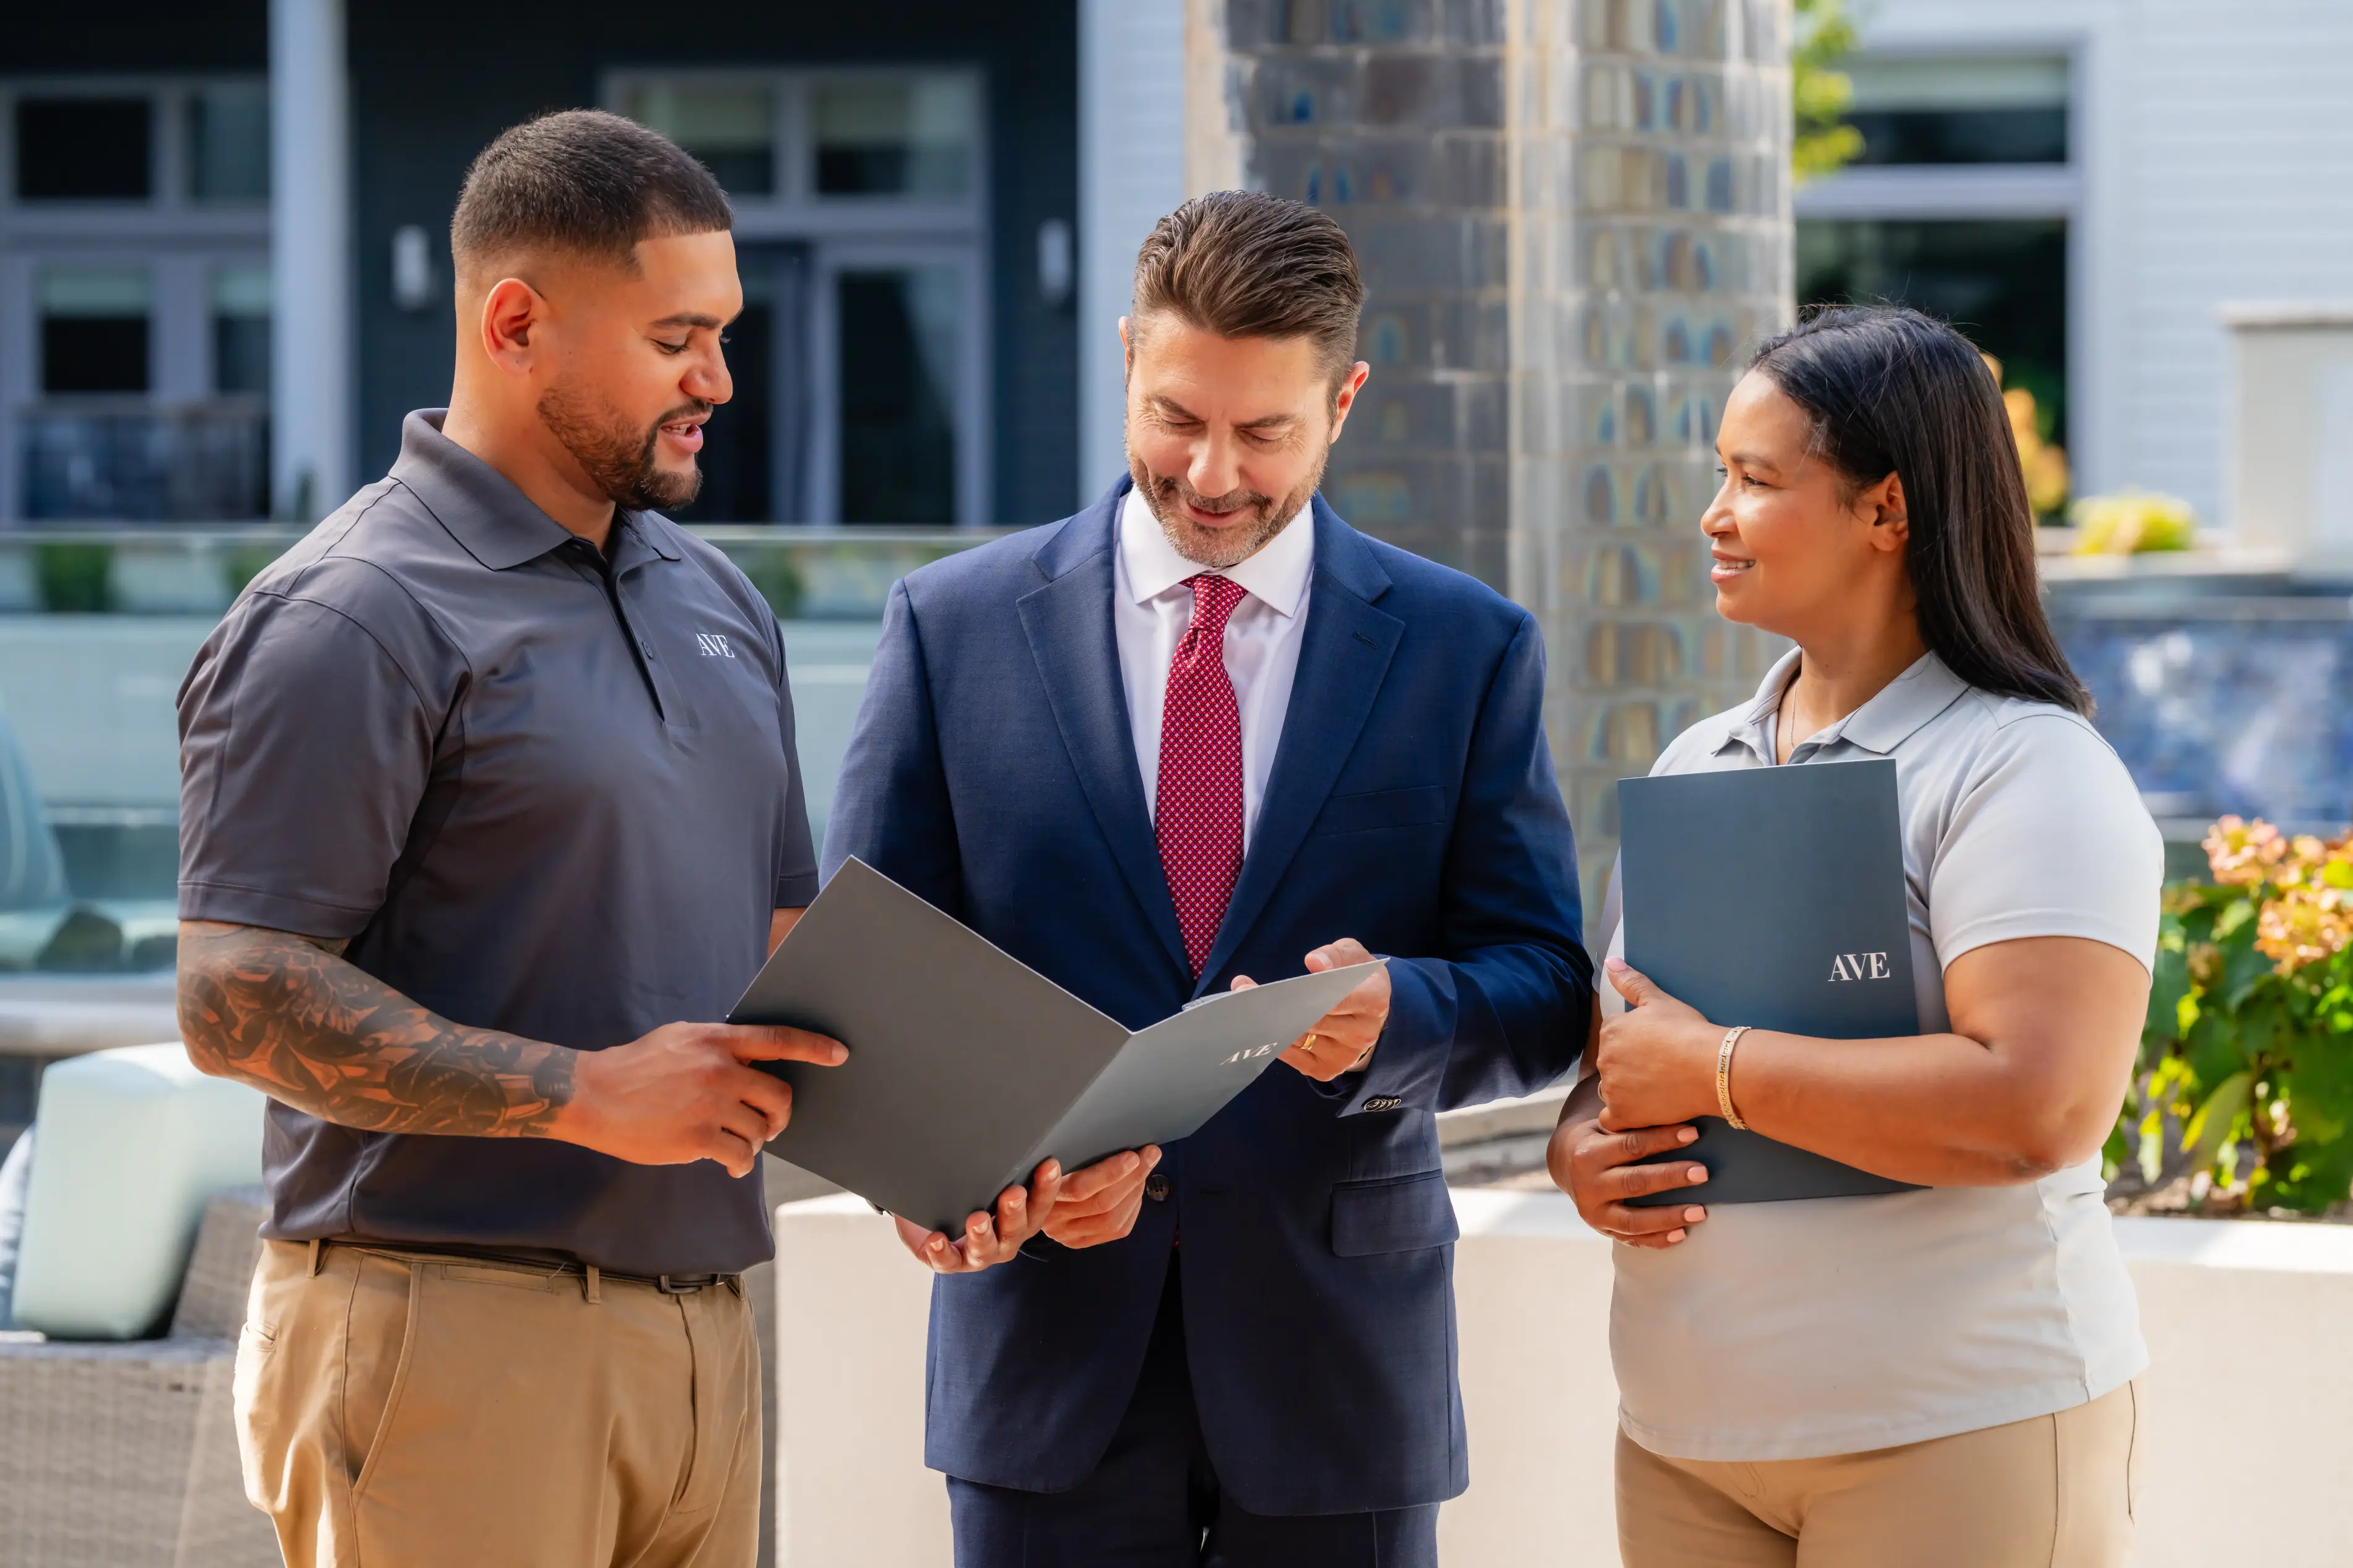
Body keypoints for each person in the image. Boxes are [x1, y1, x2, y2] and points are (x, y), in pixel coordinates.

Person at [824, 190, 1591, 1568]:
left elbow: (1543, 988)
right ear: (1126, 355)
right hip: (1042, 1367)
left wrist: (1401, 1013)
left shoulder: (1464, 649)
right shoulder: (950, 630)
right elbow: (870, 994)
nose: (1214, 475)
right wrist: (960, 1188)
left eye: (1265, 432)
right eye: (1177, 416)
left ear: (1344, 400)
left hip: (1335, 1374)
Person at [174, 110, 843, 1568]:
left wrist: (970, 1164)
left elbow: (784, 962)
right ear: (517, 323)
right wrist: (584, 1096)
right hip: (448, 1340)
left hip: (706, 1336)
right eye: (677, 336)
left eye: (724, 333)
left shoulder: (719, 602)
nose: (718, 381)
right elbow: (234, 997)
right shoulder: (349, 616)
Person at [1549, 305, 2160, 1567]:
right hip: (1684, 1442)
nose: (1713, 513)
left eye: (1756, 480)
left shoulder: (2022, 770)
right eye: (1718, 473)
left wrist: (1718, 1067)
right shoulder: (1696, 761)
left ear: (1886, 511)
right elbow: (1618, 1053)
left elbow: (2035, 1108)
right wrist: (1579, 1152)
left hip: (1950, 1436)